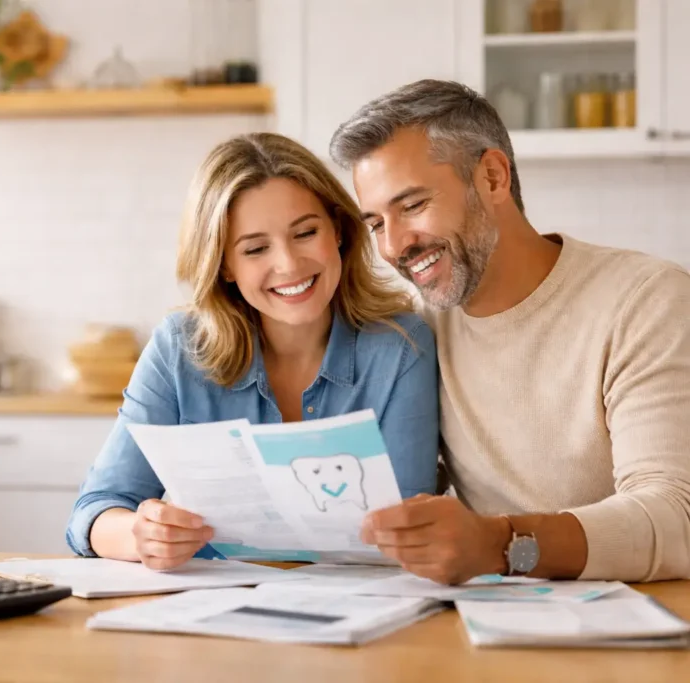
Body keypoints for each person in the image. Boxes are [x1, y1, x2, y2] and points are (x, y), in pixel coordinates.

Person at [328, 78, 690, 585]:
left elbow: (676, 518)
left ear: (493, 178)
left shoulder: (645, 299)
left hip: (647, 626)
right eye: (375, 223)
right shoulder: (418, 330)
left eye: (411, 206)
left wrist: (500, 544)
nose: (394, 247)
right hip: (495, 623)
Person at [65, 132, 440, 570]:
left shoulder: (402, 348)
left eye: (305, 233)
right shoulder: (177, 349)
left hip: (358, 612)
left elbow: (409, 529)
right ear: (223, 263)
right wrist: (140, 537)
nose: (289, 264)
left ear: (337, 229)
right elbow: (95, 511)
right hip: (206, 615)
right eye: (256, 248)